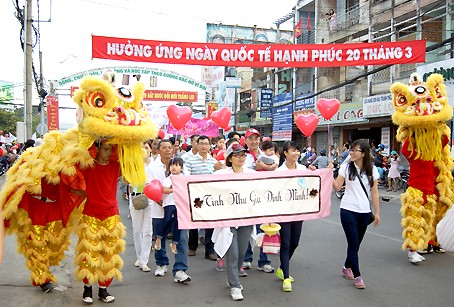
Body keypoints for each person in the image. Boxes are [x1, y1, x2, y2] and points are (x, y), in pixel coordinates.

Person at [75, 141, 124, 303]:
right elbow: (74, 162)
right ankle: (87, 288)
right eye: (105, 149)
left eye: (111, 149)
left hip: (111, 215)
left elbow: (128, 156)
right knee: (90, 254)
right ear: (97, 149)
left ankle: (104, 289)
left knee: (109, 254)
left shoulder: (115, 166)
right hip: (91, 214)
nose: (108, 152)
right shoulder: (88, 166)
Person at [332, 139, 380, 290]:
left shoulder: (373, 170)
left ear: (363, 153)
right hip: (347, 210)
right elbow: (338, 187)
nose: (351, 153)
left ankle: (346, 266)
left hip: (364, 212)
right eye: (351, 150)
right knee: (353, 243)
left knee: (356, 244)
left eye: (355, 150)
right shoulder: (346, 168)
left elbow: (375, 192)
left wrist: (377, 213)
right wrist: (327, 174)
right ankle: (357, 275)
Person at [213, 143, 255, 301]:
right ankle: (235, 285)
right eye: (237, 155)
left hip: (246, 217)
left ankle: (233, 277)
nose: (241, 158)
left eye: (243, 155)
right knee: (233, 252)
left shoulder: (251, 174)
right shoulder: (221, 174)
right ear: (230, 158)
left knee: (242, 252)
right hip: (228, 219)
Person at [151, 139, 191, 283]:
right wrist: (162, 203)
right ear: (158, 149)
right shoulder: (152, 166)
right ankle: (161, 263)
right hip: (159, 207)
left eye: (170, 147)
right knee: (159, 235)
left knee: (180, 238)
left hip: (179, 210)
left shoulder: (182, 167)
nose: (168, 150)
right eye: (165, 147)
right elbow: (150, 187)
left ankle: (180, 269)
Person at [275, 141, 308, 292]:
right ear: (285, 153)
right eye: (292, 151)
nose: (296, 153)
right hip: (284, 212)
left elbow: (309, 186)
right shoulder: (279, 172)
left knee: (295, 243)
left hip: (298, 211)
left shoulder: (303, 169)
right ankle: (286, 277)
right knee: (286, 243)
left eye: (297, 151)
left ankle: (282, 267)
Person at [243, 128, 275, 274]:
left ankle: (264, 261)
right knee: (247, 229)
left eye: (256, 138)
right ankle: (247, 258)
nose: (254, 141)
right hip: (247, 198)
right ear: (246, 140)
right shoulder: (242, 156)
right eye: (251, 138)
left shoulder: (266, 156)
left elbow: (275, 169)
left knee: (265, 229)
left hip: (264, 197)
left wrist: (265, 167)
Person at [185, 135, 218, 261]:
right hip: (196, 195)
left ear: (210, 146)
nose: (204, 146)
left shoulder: (214, 162)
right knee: (194, 221)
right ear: (197, 145)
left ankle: (209, 250)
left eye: (206, 144)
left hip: (210, 196)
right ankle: (192, 246)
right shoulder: (190, 160)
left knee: (210, 223)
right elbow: (187, 177)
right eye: (201, 144)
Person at [129, 141, 154, 273]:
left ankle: (144, 260)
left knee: (148, 231)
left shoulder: (156, 164)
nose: (144, 150)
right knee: (137, 230)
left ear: (150, 149)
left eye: (146, 147)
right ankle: (139, 257)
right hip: (137, 198)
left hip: (151, 200)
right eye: (141, 148)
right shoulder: (134, 165)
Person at [155, 157, 184, 255]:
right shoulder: (168, 179)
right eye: (171, 165)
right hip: (169, 203)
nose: (173, 167)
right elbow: (164, 190)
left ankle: (174, 242)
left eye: (176, 165)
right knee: (167, 219)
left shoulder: (184, 178)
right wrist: (175, 189)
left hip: (180, 204)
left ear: (181, 168)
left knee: (177, 223)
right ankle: (159, 237)